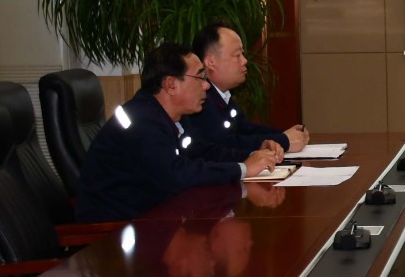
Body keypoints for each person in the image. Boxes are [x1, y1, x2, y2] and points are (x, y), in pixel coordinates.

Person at [75, 44, 279, 223]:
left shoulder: (166, 115)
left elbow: (201, 151)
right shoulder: (142, 123)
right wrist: (242, 169)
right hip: (115, 235)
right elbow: (177, 175)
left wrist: (252, 155)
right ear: (171, 85)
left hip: (151, 222)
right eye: (200, 77)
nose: (206, 85)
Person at [186, 24, 310, 153]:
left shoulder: (222, 95)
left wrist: (284, 135)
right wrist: (283, 140)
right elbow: (223, 144)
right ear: (211, 62)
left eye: (243, 54)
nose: (244, 60)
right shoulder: (201, 100)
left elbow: (244, 129)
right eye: (237, 55)